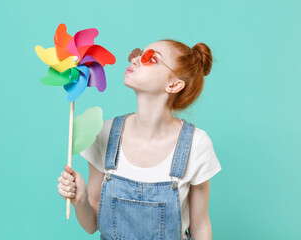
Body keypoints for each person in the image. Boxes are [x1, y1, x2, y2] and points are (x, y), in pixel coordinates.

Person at [57, 39, 222, 240]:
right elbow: (92, 225)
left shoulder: (196, 145)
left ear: (174, 84)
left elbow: (201, 227)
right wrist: (80, 199)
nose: (136, 59)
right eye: (138, 53)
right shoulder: (104, 134)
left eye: (150, 58)